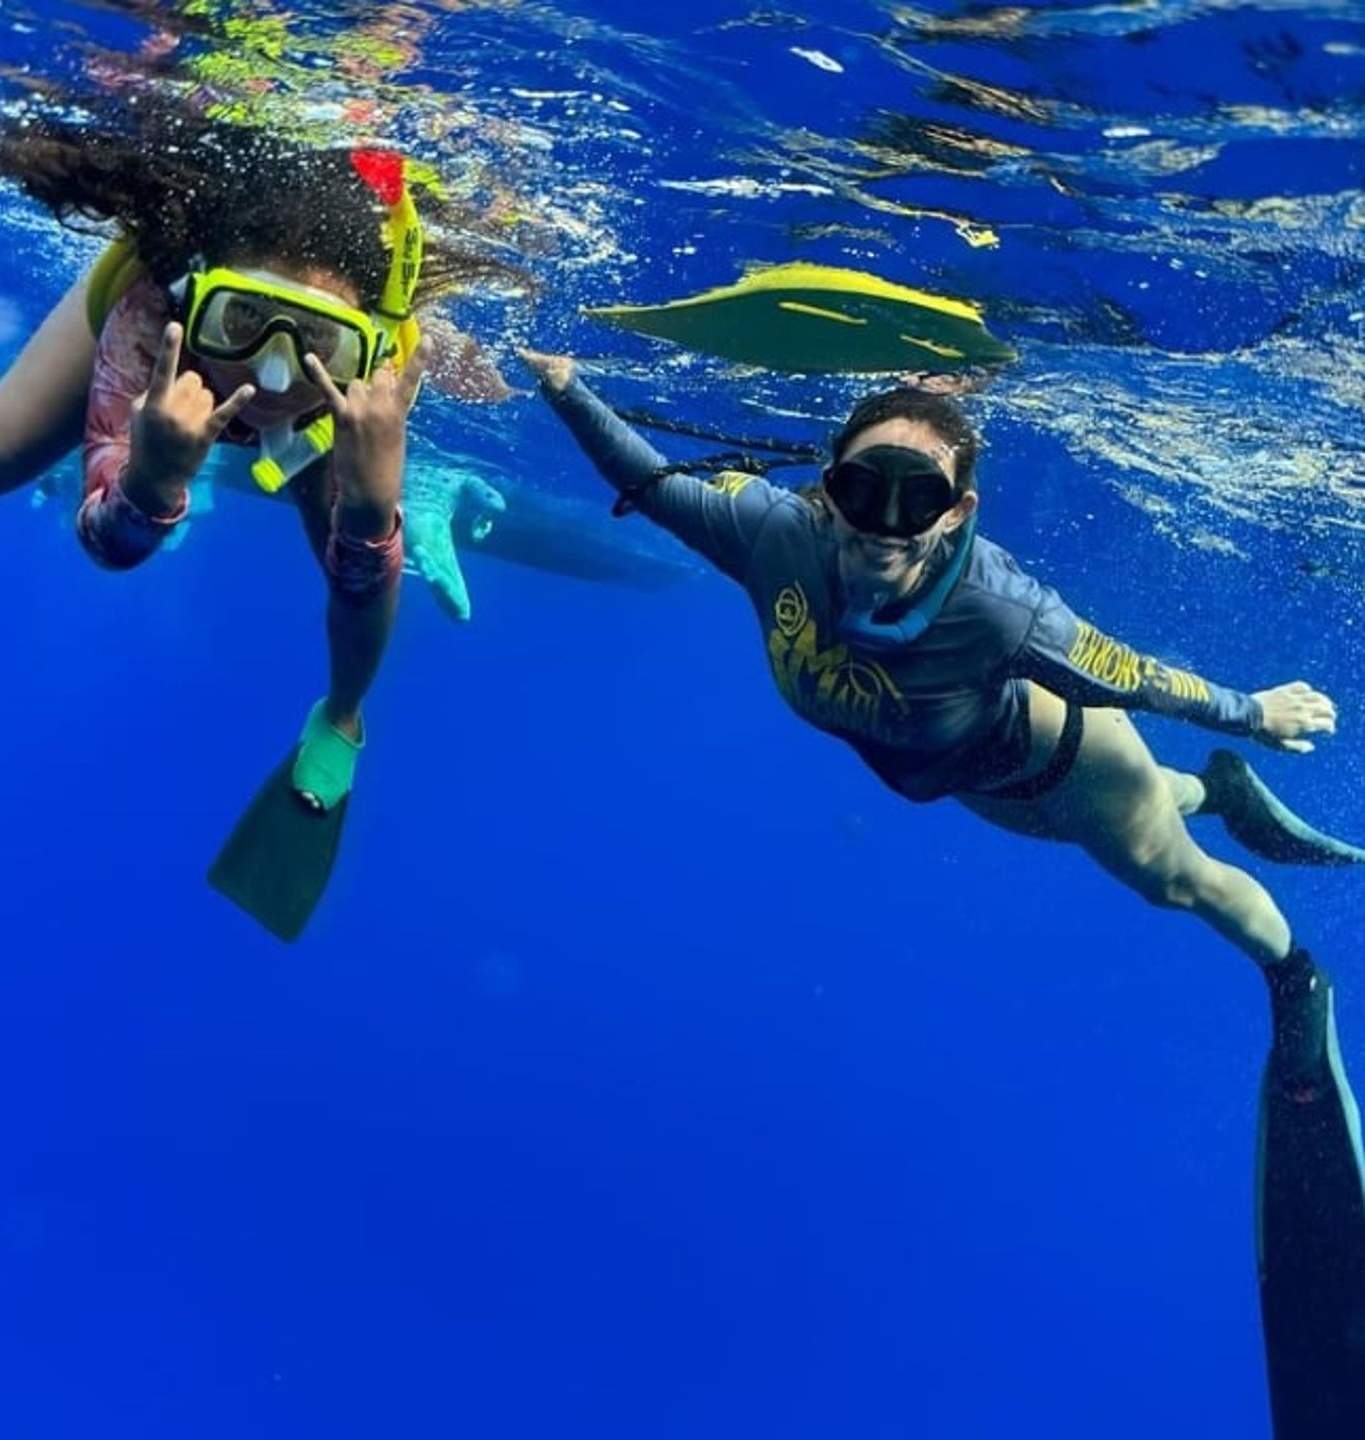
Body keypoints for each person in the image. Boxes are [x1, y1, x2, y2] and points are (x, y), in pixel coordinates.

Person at [523, 349, 1365, 1427]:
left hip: (1068, 761)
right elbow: (646, 478)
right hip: (972, 779)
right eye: (860, 488)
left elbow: (1129, 672)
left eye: (914, 499)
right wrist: (563, 388)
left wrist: (1255, 710)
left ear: (956, 509)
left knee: (1170, 879)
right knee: (1113, 829)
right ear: (826, 486)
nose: (881, 521)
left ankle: (1294, 976)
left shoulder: (998, 610)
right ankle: (1208, 790)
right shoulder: (771, 537)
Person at [0, 92, 510, 938]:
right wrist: (150, 481)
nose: (274, 376)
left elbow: (359, 572)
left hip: (341, 403)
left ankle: (341, 719)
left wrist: (378, 501)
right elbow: (106, 539)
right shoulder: (149, 319)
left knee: (354, 555)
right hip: (168, 369)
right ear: (191, 296)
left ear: (359, 342)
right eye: (242, 319)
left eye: (312, 339)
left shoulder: (364, 378)